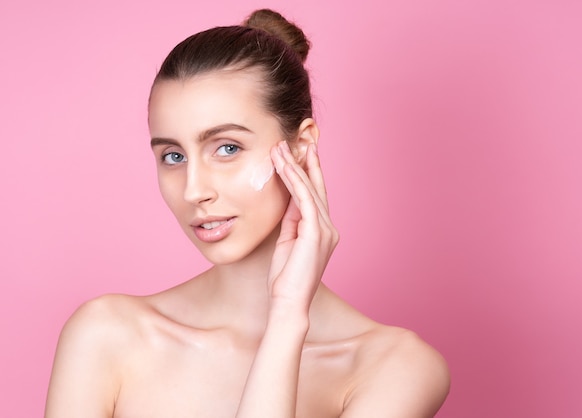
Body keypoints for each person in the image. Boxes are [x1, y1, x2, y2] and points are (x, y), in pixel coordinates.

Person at [45, 8, 449, 418]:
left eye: (227, 148)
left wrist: (288, 316)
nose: (194, 190)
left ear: (301, 146)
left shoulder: (395, 368)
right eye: (173, 155)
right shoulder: (104, 336)